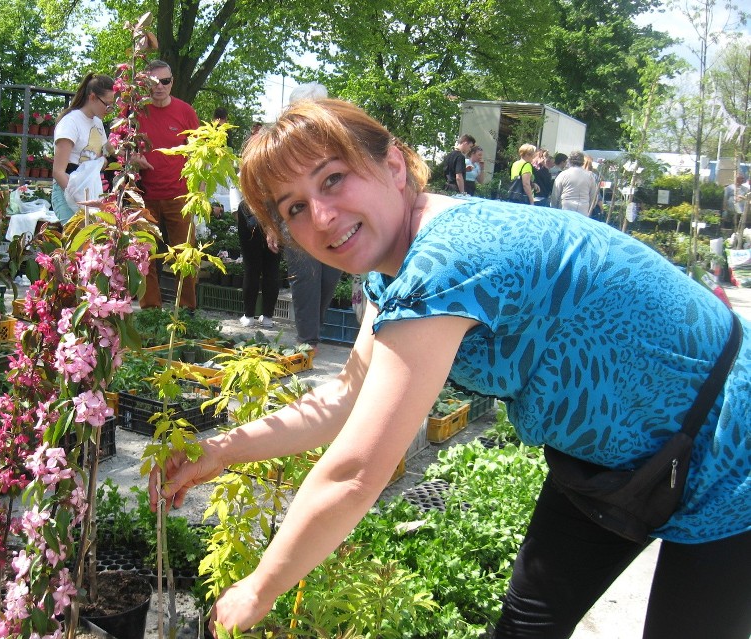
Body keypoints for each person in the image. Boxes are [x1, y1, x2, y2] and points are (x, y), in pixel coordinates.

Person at [149, 99, 751, 638]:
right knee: (525, 628)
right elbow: (344, 399)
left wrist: (261, 587)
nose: (322, 216)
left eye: (333, 178)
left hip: (732, 446)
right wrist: (219, 451)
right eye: (295, 207)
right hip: (616, 459)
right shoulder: (395, 272)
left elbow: (356, 473)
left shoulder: (447, 260)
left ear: (393, 164)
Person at [131, 59, 201, 310]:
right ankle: (151, 312)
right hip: (144, 197)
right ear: (144, 83)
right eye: (152, 82)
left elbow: (199, 154)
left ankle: (187, 312)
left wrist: (199, 195)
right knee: (145, 258)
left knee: (185, 256)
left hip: (179, 198)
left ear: (172, 82)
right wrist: (131, 158)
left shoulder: (185, 112)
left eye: (165, 81)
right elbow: (118, 147)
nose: (159, 87)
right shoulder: (135, 111)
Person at [284, 82, 343, 351]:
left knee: (329, 277)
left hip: (332, 218)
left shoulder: (334, 140)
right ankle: (308, 340)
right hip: (297, 220)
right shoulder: (283, 143)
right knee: (307, 277)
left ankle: (313, 332)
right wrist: (274, 227)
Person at [51, 73, 115, 224]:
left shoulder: (98, 123)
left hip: (90, 192)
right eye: (107, 104)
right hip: (67, 192)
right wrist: (77, 198)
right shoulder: (70, 122)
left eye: (112, 105)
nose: (109, 109)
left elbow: (99, 157)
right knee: (75, 243)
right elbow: (58, 172)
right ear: (92, 97)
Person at [236, 124, 281, 328]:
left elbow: (240, 187)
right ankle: (268, 317)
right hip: (274, 214)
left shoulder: (249, 160)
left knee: (252, 266)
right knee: (271, 266)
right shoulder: (279, 161)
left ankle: (248, 316)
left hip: (251, 213)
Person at [550, 150, 598, 215]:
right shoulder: (590, 176)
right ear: (582, 162)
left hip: (566, 207)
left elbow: (555, 195)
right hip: (583, 208)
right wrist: (589, 208)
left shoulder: (563, 174)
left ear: (569, 161)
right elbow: (593, 196)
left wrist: (554, 208)